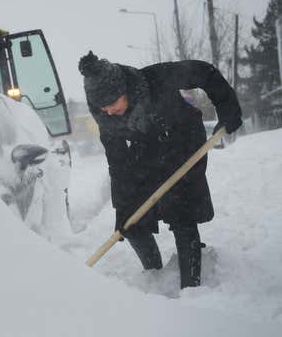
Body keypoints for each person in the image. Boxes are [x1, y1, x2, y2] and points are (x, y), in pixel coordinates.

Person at [78, 51, 242, 289]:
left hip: (184, 142)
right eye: (103, 108)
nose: (109, 112)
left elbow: (205, 72)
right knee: (131, 224)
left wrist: (227, 107)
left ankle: (191, 287)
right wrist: (123, 208)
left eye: (112, 104)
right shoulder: (107, 119)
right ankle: (154, 275)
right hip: (146, 151)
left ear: (124, 91)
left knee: (180, 211)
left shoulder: (158, 78)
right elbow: (118, 164)